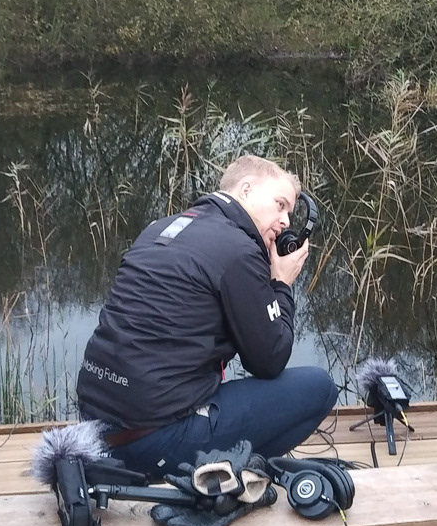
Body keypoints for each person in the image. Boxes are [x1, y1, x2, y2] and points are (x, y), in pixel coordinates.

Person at [76, 154, 339, 478]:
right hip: (150, 443)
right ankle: (232, 474)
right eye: (280, 204)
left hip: (94, 428)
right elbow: (270, 360)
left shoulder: (162, 227)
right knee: (320, 387)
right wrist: (281, 284)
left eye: (289, 212)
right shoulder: (238, 250)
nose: (286, 222)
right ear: (245, 190)